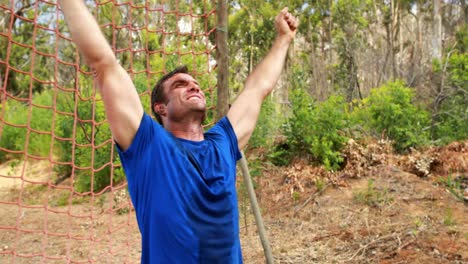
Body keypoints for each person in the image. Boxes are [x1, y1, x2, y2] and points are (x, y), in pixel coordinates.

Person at [58, 1, 298, 263]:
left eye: (196, 85)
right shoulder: (148, 145)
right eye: (181, 85)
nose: (194, 87)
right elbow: (103, 63)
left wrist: (284, 39)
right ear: (160, 107)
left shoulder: (223, 143)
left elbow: (257, 88)